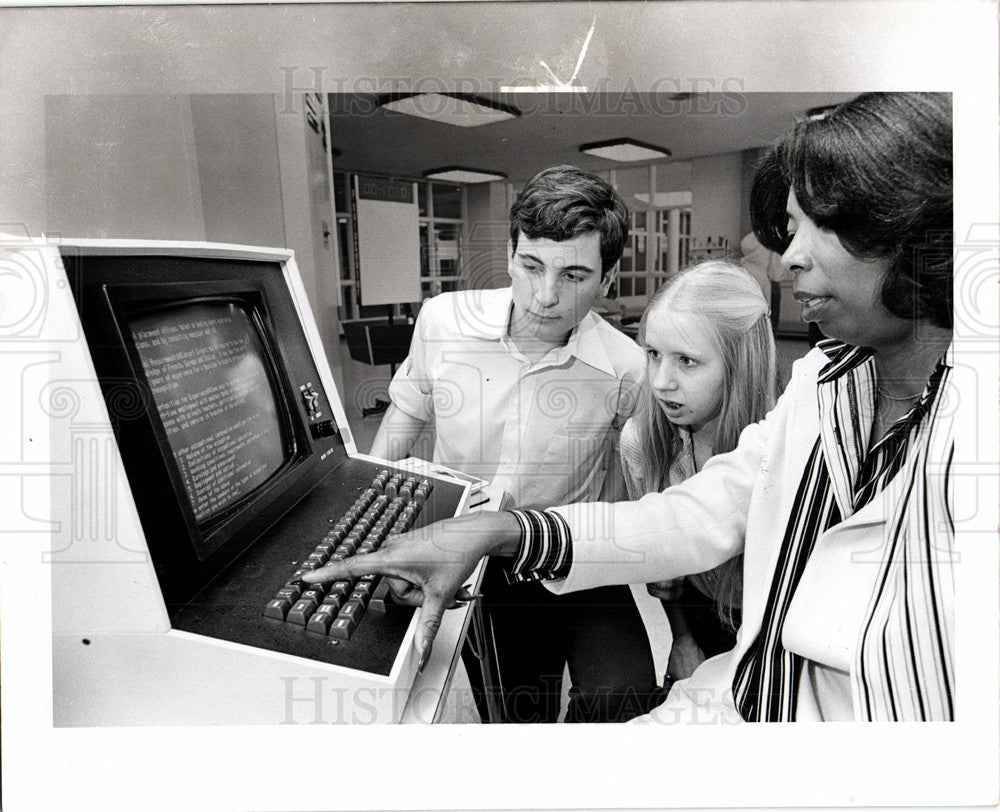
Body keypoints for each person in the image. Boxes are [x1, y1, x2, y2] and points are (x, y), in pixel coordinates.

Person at [306, 92, 955, 722]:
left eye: (824, 226)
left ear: (918, 235)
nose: (788, 258)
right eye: (791, 229)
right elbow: (689, 518)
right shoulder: (820, 384)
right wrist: (498, 531)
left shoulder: (961, 427)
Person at [368, 165, 662, 723]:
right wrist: (377, 545)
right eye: (531, 267)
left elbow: (631, 482)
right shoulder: (442, 321)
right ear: (510, 256)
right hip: (477, 553)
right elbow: (398, 437)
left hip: (571, 544)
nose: (544, 297)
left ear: (608, 279)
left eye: (574, 275)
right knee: (522, 708)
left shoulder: (625, 367)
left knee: (622, 692)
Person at [622, 261, 780, 687]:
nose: (660, 382)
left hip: (775, 622)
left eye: (687, 362)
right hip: (700, 610)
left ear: (740, 364)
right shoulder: (642, 440)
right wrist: (682, 638)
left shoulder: (785, 445)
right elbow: (664, 564)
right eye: (653, 354)